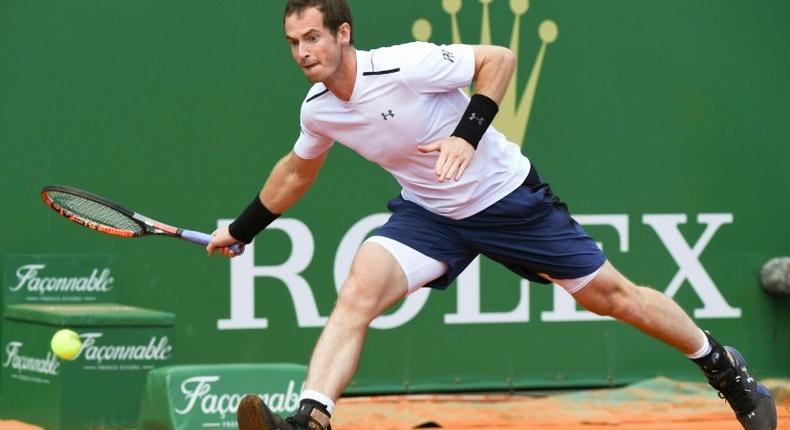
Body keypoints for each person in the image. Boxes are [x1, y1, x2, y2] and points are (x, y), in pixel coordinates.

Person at [206, 1, 777, 429]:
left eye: (313, 37)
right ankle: (312, 417)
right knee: (359, 289)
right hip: (429, 214)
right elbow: (295, 173)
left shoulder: (404, 65)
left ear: (343, 34)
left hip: (508, 202)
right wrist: (242, 228)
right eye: (293, 42)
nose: (303, 51)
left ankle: (721, 363)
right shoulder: (320, 110)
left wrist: (467, 135)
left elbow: (498, 60)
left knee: (613, 299)